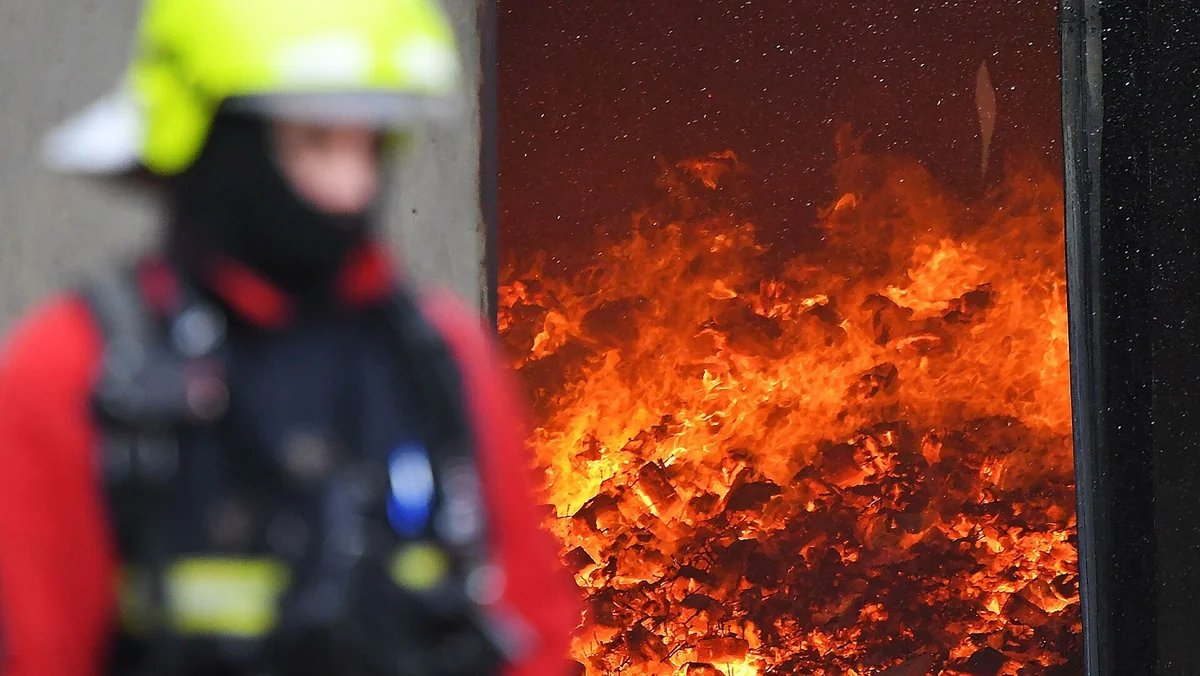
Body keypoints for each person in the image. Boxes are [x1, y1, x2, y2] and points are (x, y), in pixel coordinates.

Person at [0, 1, 580, 675]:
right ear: (215, 141)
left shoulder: (438, 358)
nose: (351, 186)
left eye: (369, 144)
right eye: (314, 142)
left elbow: (532, 633)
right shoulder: (72, 371)